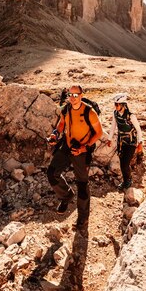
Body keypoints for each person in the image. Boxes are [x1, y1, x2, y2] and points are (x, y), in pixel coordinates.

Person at [47, 84, 103, 230]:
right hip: (67, 145)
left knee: (82, 185)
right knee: (52, 173)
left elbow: (99, 133)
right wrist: (55, 133)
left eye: (75, 95)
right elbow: (62, 124)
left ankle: (82, 220)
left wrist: (85, 147)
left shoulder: (89, 112)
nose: (72, 98)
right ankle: (66, 196)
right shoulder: (66, 108)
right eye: (70, 95)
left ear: (81, 95)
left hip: (81, 150)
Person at [107, 93, 143, 190]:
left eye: (117, 104)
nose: (116, 106)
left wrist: (140, 144)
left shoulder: (131, 116)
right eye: (115, 104)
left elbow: (139, 130)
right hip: (121, 142)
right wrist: (109, 139)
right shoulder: (115, 114)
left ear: (123, 104)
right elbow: (113, 127)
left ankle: (128, 180)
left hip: (131, 142)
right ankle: (126, 180)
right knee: (122, 162)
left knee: (125, 163)